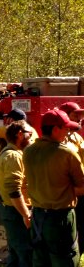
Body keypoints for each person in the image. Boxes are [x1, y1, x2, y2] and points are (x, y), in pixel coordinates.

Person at [23, 109, 84, 267]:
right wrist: (64, 190)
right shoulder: (67, 153)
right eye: (66, 128)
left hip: (37, 215)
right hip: (60, 219)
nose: (68, 132)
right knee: (65, 259)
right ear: (56, 129)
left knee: (40, 259)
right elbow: (82, 187)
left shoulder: (28, 151)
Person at [0, 120, 33, 266]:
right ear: (19, 134)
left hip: (13, 210)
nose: (31, 138)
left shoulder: (10, 153)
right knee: (25, 253)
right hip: (16, 212)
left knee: (16, 255)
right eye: (29, 135)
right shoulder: (14, 156)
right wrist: (26, 215)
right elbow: (14, 190)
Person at [59, 102, 84, 254]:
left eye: (81, 115)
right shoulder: (59, 140)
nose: (80, 118)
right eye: (76, 115)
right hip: (69, 192)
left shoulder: (76, 136)